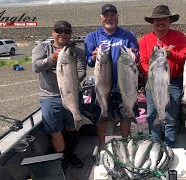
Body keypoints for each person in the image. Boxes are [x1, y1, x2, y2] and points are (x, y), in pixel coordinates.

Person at [32, 20, 87, 170]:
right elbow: (36, 66)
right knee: (54, 130)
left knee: (72, 127)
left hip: (72, 93)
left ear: (70, 34)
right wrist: (51, 59)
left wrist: (69, 81)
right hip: (49, 96)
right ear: (53, 32)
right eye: (59, 31)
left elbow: (82, 72)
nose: (63, 34)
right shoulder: (42, 47)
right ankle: (62, 157)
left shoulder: (78, 51)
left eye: (67, 32)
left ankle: (71, 154)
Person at [84, 4, 139, 149]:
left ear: (117, 17)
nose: (110, 18)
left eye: (113, 15)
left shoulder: (128, 36)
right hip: (103, 83)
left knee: (126, 114)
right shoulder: (92, 37)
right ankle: (102, 145)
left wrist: (134, 55)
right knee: (101, 116)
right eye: (106, 15)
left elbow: (137, 57)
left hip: (124, 83)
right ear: (101, 18)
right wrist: (93, 57)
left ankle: (125, 143)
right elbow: (89, 61)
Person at [138, 5, 186, 147]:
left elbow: (185, 58)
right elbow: (143, 62)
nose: (160, 22)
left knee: (171, 116)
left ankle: (169, 147)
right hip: (153, 83)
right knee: (153, 114)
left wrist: (171, 54)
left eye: (164, 19)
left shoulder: (179, 36)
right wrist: (154, 72)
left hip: (174, 82)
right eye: (157, 20)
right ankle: (155, 146)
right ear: (152, 22)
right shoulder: (144, 40)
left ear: (170, 21)